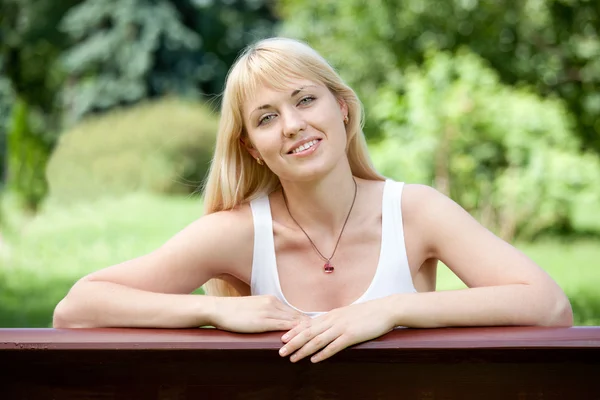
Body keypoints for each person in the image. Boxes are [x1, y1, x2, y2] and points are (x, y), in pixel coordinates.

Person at [53, 37, 573, 364]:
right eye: (266, 117)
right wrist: (212, 314)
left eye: (304, 100)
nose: (294, 125)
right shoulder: (238, 233)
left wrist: (391, 310)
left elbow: (548, 305)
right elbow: (77, 307)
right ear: (251, 149)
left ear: (343, 109)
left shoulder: (414, 212)